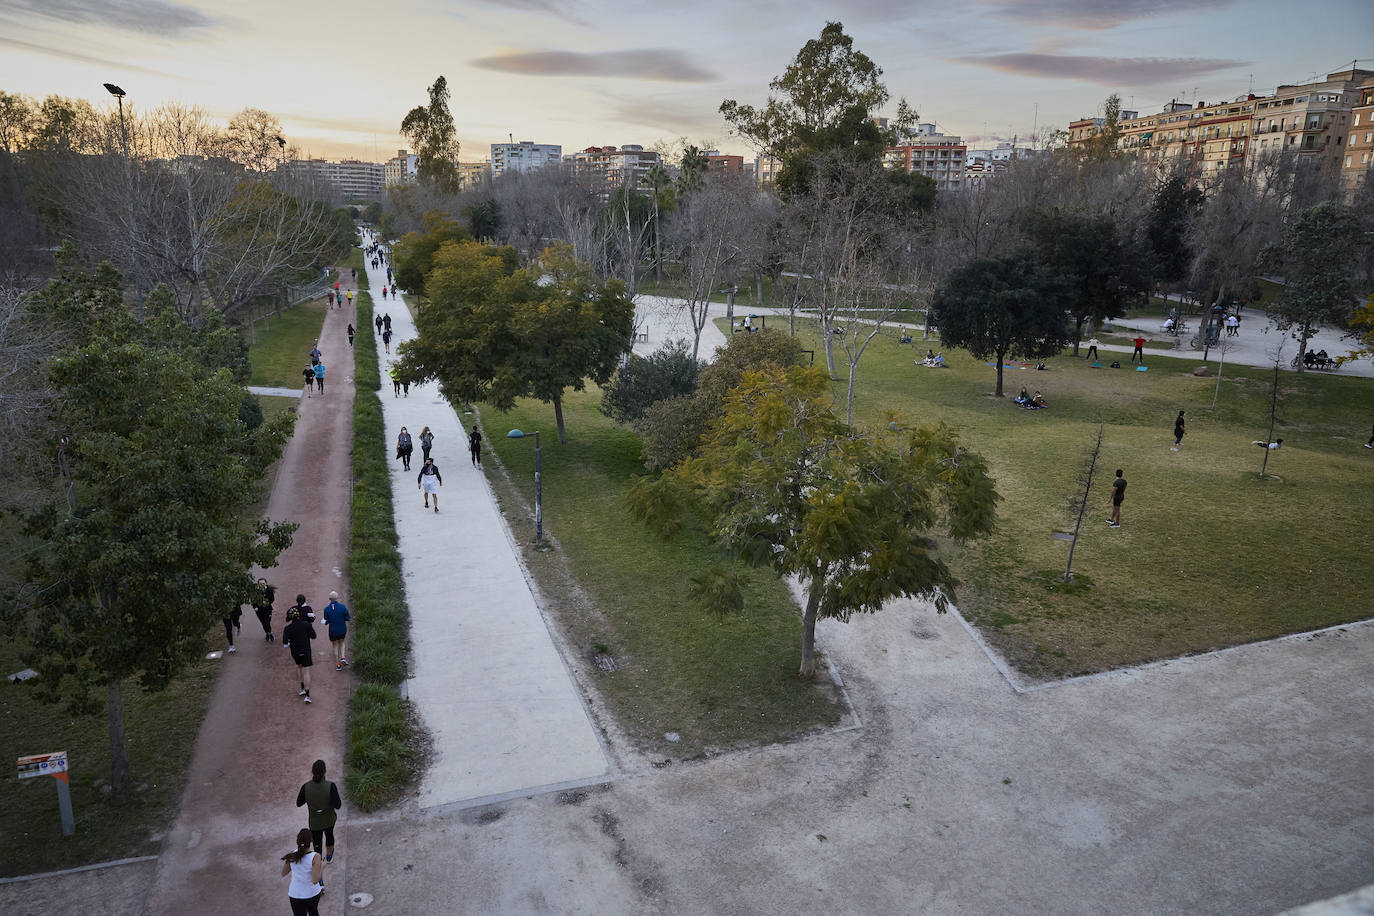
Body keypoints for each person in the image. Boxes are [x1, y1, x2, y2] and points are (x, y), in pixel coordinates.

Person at [296, 760, 343, 863]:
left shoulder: (306, 787)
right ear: (325, 771)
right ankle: (329, 857)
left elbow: (298, 803)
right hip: (329, 820)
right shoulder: (331, 786)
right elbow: (338, 805)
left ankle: (319, 862)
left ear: (312, 772)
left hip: (314, 823)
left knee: (317, 842)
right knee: (329, 836)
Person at [281, 827, 324, 916]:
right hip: (311, 894)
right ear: (311, 841)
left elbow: (284, 873)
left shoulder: (292, 854)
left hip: (295, 894)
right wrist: (322, 866)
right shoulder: (316, 856)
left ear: (298, 841)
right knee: (313, 913)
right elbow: (315, 880)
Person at [283, 597, 316, 703]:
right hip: (306, 650)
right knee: (306, 671)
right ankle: (308, 695)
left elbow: (285, 642)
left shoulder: (287, 628)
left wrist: (289, 642)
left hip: (295, 652)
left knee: (299, 667)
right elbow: (314, 636)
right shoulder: (306, 625)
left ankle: (301, 688)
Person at [322, 592, 350, 670]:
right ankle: (343, 657)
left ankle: (338, 664)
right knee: (342, 642)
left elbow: (326, 621)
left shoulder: (326, 609)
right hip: (342, 629)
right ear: (337, 598)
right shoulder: (343, 607)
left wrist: (325, 621)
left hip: (333, 631)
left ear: (329, 599)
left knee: (335, 645)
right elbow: (347, 618)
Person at [254, 577, 276, 643]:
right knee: (263, 623)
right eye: (260, 584)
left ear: (266, 583)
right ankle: (267, 633)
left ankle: (270, 633)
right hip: (259, 610)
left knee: (267, 622)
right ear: (258, 584)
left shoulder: (269, 590)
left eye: (263, 583)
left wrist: (267, 602)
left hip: (267, 609)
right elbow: (253, 600)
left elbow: (272, 599)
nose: (262, 585)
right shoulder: (255, 591)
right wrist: (255, 607)